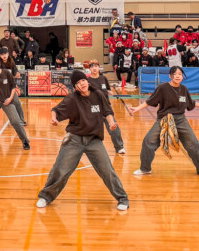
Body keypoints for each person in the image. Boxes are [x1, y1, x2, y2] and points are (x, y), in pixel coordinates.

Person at [36, 70, 129, 210]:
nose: (82, 84)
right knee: (60, 169)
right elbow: (55, 110)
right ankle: (45, 196)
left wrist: (111, 123)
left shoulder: (98, 94)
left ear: (87, 80)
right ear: (75, 87)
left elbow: (107, 111)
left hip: (94, 140)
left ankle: (122, 199)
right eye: (78, 83)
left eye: (83, 81)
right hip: (74, 139)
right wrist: (54, 118)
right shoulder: (72, 99)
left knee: (107, 171)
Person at [130, 66, 199, 177]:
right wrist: (137, 108)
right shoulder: (163, 88)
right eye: (175, 74)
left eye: (180, 74)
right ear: (170, 76)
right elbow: (150, 101)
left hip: (180, 120)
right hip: (164, 119)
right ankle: (145, 168)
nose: (178, 76)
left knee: (193, 144)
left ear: (182, 76)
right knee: (148, 141)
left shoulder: (184, 89)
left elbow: (190, 103)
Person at [0, 55, 30, 149]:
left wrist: (11, 98)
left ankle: (25, 142)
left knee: (16, 122)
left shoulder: (6, 73)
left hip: (7, 101)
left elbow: (13, 87)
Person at [85, 60, 126, 155]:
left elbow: (107, 89)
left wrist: (109, 92)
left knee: (114, 128)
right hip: (94, 108)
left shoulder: (103, 78)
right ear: (89, 69)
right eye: (92, 67)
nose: (94, 68)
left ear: (99, 68)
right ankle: (85, 148)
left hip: (106, 107)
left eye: (96, 66)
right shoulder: (88, 81)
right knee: (90, 130)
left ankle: (119, 147)